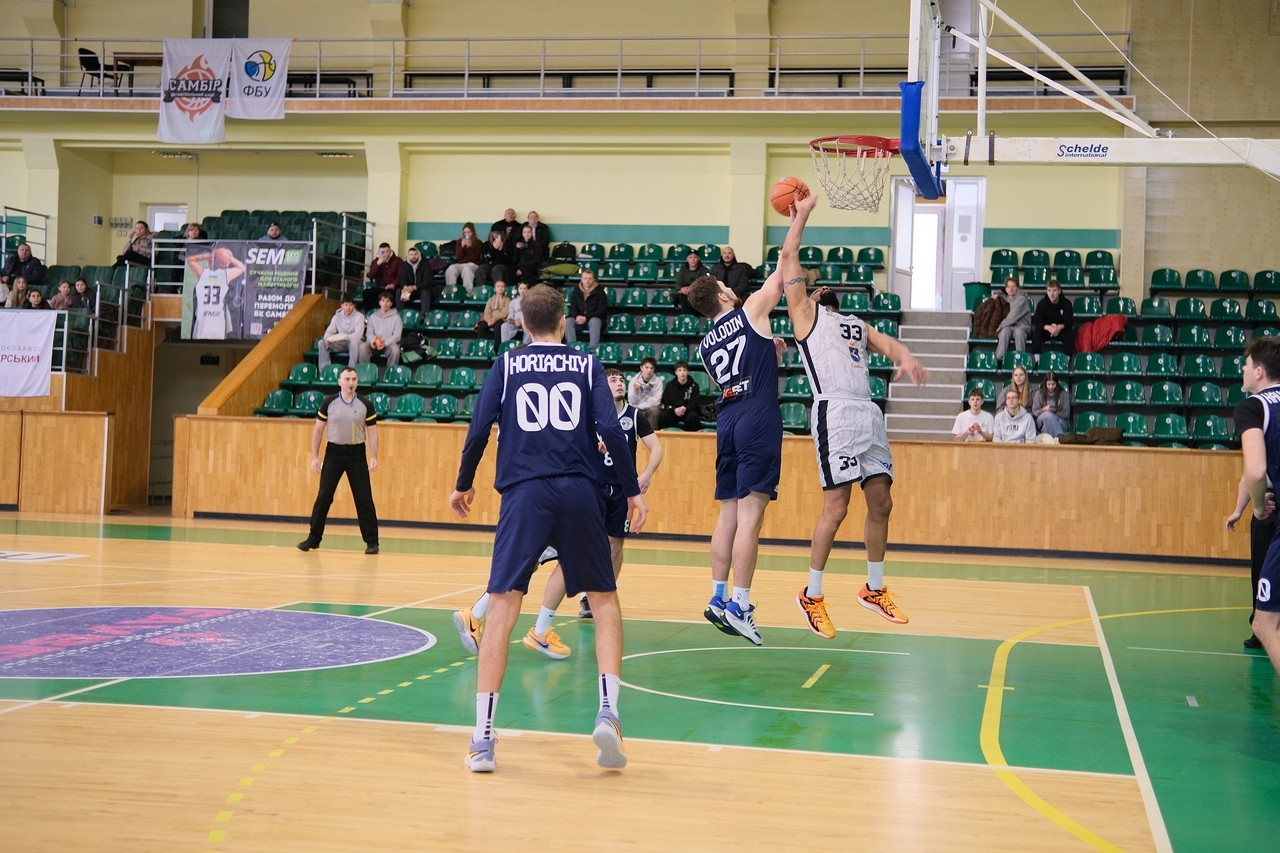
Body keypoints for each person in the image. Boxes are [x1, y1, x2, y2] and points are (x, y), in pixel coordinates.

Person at [448, 283, 647, 773]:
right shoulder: (586, 364)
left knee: (502, 608)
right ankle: (608, 712)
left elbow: (479, 429)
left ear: (521, 323)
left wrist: (464, 483)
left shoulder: (507, 364)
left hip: (524, 493)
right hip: (579, 489)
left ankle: (482, 740)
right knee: (604, 599)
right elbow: (610, 430)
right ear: (564, 321)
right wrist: (631, 490)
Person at [687, 198, 809, 647]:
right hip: (757, 413)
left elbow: (734, 370)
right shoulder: (752, 309)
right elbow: (785, 263)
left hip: (728, 417)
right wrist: (799, 217)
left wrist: (765, 350)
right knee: (751, 516)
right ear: (722, 296)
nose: (730, 287)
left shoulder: (704, 347)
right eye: (725, 284)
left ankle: (718, 597)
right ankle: (740, 605)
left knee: (728, 514)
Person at [785, 276, 927, 637]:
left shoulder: (855, 324)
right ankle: (811, 595)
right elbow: (791, 274)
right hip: (835, 412)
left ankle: (874, 589)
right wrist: (794, 237)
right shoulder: (808, 318)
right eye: (816, 289)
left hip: (867, 412)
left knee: (882, 503)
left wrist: (906, 357)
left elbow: (886, 343)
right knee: (837, 507)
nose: (823, 289)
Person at [518, 367, 666, 655]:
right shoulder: (587, 414)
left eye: (621, 379)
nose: (619, 383)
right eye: (613, 380)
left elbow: (657, 449)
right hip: (591, 490)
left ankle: (592, 596)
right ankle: (543, 611)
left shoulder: (634, 416)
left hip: (620, 491)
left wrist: (646, 475)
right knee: (574, 551)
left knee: (613, 545)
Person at [298, 366, 379, 555]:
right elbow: (318, 431)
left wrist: (374, 456)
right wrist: (315, 457)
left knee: (364, 498)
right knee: (324, 496)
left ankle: (372, 542)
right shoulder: (329, 403)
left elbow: (373, 433)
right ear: (340, 382)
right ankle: (313, 538)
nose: (351, 383)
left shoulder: (366, 404)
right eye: (347, 379)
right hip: (333, 454)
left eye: (354, 379)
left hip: (356, 454)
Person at [1234, 337, 1280, 672]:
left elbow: (1254, 470)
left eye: (1246, 364)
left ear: (1259, 371)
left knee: (1264, 623)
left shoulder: (1253, 407)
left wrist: (1257, 506)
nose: (1243, 369)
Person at [1227, 477, 1276, 651]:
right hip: (1267, 506)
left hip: (1267, 502)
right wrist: (1238, 510)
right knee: (1261, 572)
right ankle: (1261, 629)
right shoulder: (1261, 457)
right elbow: (1250, 476)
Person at [185, 248, 246, 340]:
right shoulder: (226, 274)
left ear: (211, 261)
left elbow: (190, 260)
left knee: (199, 345)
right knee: (218, 346)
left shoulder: (202, 273)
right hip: (218, 319)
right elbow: (242, 268)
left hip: (203, 318)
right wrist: (230, 258)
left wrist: (205, 257)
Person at [565, 268, 607, 352]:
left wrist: (586, 318)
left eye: (590, 278)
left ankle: (592, 350)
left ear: (593, 279)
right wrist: (576, 316)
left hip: (593, 320)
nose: (587, 281)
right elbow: (572, 308)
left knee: (595, 321)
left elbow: (601, 311)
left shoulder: (600, 292)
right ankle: (572, 348)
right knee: (568, 321)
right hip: (578, 320)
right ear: (581, 279)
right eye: (585, 278)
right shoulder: (576, 291)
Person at [318, 295, 366, 369]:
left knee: (354, 342)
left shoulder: (360, 316)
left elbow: (358, 335)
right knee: (321, 343)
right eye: (346, 305)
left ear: (354, 306)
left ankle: (352, 369)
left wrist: (343, 336)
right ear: (342, 306)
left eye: (351, 305)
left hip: (353, 342)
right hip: (340, 343)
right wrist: (327, 338)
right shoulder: (336, 317)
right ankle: (325, 370)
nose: (348, 307)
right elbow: (329, 331)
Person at [1031, 279, 1074, 356]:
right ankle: (1037, 359)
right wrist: (1049, 328)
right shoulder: (1042, 304)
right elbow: (1038, 322)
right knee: (1037, 333)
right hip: (1047, 331)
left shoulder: (1067, 303)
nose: (1052, 294)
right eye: (1049, 290)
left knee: (1069, 333)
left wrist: (1059, 327)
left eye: (1054, 290)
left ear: (1059, 291)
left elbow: (1069, 321)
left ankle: (1067, 359)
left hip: (1061, 331)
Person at [995, 277, 1032, 361]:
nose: (1011, 289)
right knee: (1005, 331)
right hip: (1011, 327)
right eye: (1008, 286)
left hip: (1023, 327)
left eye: (1013, 286)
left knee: (1019, 332)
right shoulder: (1006, 300)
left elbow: (1013, 316)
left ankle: (1020, 359)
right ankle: (999, 359)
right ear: (1006, 289)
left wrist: (1001, 325)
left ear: (1018, 288)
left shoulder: (1022, 299)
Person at [362, 292, 403, 367]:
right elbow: (369, 333)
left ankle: (390, 372)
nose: (385, 303)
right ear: (379, 302)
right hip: (375, 344)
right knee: (363, 347)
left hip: (388, 345)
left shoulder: (397, 318)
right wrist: (373, 341)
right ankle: (365, 371)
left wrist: (385, 343)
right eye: (383, 301)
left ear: (391, 304)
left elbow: (397, 336)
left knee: (395, 349)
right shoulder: (373, 317)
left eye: (388, 301)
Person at [659, 361, 702, 431]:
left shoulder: (694, 385)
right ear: (676, 372)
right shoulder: (670, 385)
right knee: (664, 416)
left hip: (688, 411)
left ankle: (692, 437)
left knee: (693, 416)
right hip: (673, 411)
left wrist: (685, 408)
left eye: (685, 370)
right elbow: (666, 402)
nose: (682, 373)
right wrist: (674, 409)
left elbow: (695, 403)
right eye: (680, 370)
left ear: (688, 372)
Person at [1030, 371, 1071, 437]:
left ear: (1057, 383)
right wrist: (1044, 410)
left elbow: (1066, 414)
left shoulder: (1063, 394)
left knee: (1046, 426)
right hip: (1041, 420)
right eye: (1048, 384)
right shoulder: (1039, 393)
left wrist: (1054, 412)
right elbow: (1034, 411)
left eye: (1053, 384)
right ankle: (1059, 437)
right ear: (1045, 383)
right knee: (1047, 415)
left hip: (1060, 420)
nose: (1051, 387)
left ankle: (1050, 440)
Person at [445, 223, 483, 295]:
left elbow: (474, 258)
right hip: (461, 264)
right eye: (465, 232)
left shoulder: (478, 242)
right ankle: (451, 292)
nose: (467, 234)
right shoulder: (459, 241)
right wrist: (462, 247)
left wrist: (469, 247)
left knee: (467, 269)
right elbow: (458, 257)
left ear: (473, 232)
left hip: (473, 264)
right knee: (451, 269)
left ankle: (467, 293)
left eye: (469, 232)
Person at [627, 356, 663, 429]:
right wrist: (636, 391)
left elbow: (656, 401)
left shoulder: (658, 382)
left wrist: (640, 406)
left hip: (649, 408)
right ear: (641, 368)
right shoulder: (634, 381)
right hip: (637, 408)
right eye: (646, 367)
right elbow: (632, 401)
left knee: (654, 410)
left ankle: (652, 433)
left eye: (651, 368)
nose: (649, 370)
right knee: (631, 409)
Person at [364, 243, 403, 311]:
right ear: (379, 252)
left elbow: (400, 276)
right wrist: (378, 264)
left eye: (387, 251)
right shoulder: (375, 262)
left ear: (390, 251)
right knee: (366, 293)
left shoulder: (398, 261)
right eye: (382, 252)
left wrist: (393, 284)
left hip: (393, 288)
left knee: (394, 294)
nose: (385, 254)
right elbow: (372, 275)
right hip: (380, 287)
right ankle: (369, 314)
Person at [399, 246, 433, 312]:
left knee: (425, 292)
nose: (413, 256)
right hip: (410, 290)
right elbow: (402, 278)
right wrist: (404, 286)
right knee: (398, 291)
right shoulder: (405, 265)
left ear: (419, 255)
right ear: (408, 256)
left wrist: (414, 287)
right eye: (411, 254)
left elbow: (427, 281)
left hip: (422, 289)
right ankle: (400, 314)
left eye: (415, 254)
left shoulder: (426, 264)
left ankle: (424, 315)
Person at [481, 279, 511, 347]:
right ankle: (482, 346)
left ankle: (497, 347)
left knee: (498, 326)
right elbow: (487, 311)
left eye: (502, 287)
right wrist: (489, 320)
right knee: (481, 327)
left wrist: (495, 319)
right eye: (498, 286)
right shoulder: (490, 300)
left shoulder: (507, 300)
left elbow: (505, 313)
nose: (500, 288)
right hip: (490, 319)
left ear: (504, 289)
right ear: (494, 289)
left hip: (501, 319)